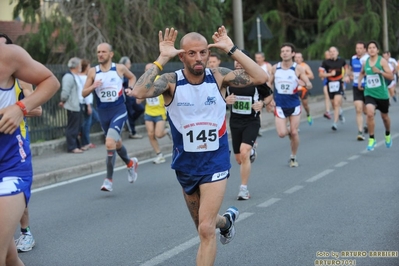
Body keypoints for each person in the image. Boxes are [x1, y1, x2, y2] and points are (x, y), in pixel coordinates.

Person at [129, 26, 268, 266]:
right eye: (192, 53)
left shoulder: (219, 76)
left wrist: (230, 48)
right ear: (181, 56)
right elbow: (139, 92)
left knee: (205, 229)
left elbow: (260, 78)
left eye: (203, 52)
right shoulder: (171, 82)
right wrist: (162, 58)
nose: (199, 58)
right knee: (206, 226)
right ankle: (226, 222)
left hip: (215, 160)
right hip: (185, 164)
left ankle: (219, 224)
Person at [0, 39, 59, 266]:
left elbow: (49, 82)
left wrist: (20, 108)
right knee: (8, 255)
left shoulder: (8, 56)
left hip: (10, 162)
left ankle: (26, 231)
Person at [82, 43, 139, 192]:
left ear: (111, 54)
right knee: (116, 143)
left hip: (118, 110)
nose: (100, 54)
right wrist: (93, 86)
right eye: (98, 52)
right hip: (103, 113)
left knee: (109, 142)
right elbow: (83, 93)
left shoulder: (119, 68)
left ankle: (108, 180)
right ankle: (130, 163)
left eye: (103, 52)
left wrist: (130, 88)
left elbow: (132, 77)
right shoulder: (93, 72)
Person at [225, 49, 273, 200]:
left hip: (251, 120)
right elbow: (219, 97)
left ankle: (243, 189)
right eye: (235, 59)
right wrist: (226, 101)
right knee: (239, 159)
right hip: (235, 121)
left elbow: (269, 95)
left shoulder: (256, 79)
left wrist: (262, 104)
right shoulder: (228, 78)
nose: (238, 62)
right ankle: (251, 152)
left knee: (244, 151)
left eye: (242, 59)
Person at [270, 43, 312, 167]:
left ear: (293, 53)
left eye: (287, 51)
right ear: (280, 54)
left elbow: (309, 85)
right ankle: (291, 134)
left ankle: (293, 157)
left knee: (294, 132)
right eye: (282, 51)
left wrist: (304, 84)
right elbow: (268, 84)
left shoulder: (297, 68)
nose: (285, 53)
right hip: (280, 105)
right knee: (282, 134)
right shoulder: (275, 68)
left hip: (294, 104)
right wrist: (268, 100)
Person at [358, 41, 393, 151]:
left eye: (374, 47)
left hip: (382, 94)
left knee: (385, 117)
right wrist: (359, 82)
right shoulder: (366, 62)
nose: (371, 49)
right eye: (369, 48)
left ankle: (387, 134)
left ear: (378, 50)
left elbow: (391, 76)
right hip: (369, 93)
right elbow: (362, 72)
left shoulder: (382, 61)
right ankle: (372, 139)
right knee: (369, 113)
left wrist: (380, 72)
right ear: (367, 50)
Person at [139, 63, 171, 164]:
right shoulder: (143, 82)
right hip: (149, 111)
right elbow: (139, 97)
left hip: (160, 112)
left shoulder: (160, 80)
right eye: (146, 70)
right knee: (150, 134)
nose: (148, 72)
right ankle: (159, 155)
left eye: (150, 70)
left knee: (158, 134)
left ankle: (167, 131)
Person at [319, 46, 350, 131]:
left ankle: (335, 123)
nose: (332, 53)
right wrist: (329, 74)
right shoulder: (325, 62)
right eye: (330, 52)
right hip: (330, 84)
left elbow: (346, 69)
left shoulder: (342, 61)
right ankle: (340, 113)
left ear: (337, 52)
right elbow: (321, 75)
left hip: (339, 83)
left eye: (334, 51)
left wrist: (346, 76)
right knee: (333, 104)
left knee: (336, 103)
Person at [59, 57, 84, 153]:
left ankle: (77, 145)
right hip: (72, 105)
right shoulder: (68, 76)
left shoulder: (75, 75)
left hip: (77, 105)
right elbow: (65, 90)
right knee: (72, 127)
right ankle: (72, 147)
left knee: (77, 127)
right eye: (80, 65)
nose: (81, 67)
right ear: (76, 66)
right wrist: (63, 100)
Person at [119, 56, 144, 139]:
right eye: (129, 63)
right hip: (126, 98)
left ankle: (129, 123)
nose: (130, 65)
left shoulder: (129, 73)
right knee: (129, 114)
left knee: (140, 109)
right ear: (125, 64)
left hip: (132, 96)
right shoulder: (121, 74)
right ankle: (132, 132)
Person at [348, 41, 369, 140]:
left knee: (368, 111)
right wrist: (349, 75)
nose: (358, 50)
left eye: (361, 48)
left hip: (368, 87)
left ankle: (368, 124)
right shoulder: (353, 58)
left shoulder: (368, 59)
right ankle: (360, 132)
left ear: (365, 49)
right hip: (356, 86)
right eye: (357, 48)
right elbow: (350, 69)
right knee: (358, 109)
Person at [79, 59, 99, 150]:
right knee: (88, 122)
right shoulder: (84, 78)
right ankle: (85, 143)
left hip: (86, 103)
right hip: (87, 103)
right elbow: (85, 92)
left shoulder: (80, 77)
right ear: (86, 67)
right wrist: (88, 105)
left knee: (94, 119)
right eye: (89, 66)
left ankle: (82, 132)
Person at [294, 52, 315, 125]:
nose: (297, 59)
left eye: (299, 57)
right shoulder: (292, 66)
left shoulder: (305, 66)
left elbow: (311, 76)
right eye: (296, 57)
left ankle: (308, 114)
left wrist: (302, 76)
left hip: (303, 88)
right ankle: (295, 124)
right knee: (295, 106)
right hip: (294, 89)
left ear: (302, 58)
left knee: (305, 104)